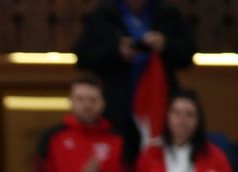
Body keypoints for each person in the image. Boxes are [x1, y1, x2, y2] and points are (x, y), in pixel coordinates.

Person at [73, 0, 195, 161]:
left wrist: (165, 44)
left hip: (159, 104)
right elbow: (82, 56)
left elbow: (189, 54)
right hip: (115, 107)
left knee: (157, 159)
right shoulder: (104, 13)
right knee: (119, 162)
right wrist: (116, 51)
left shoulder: (167, 13)